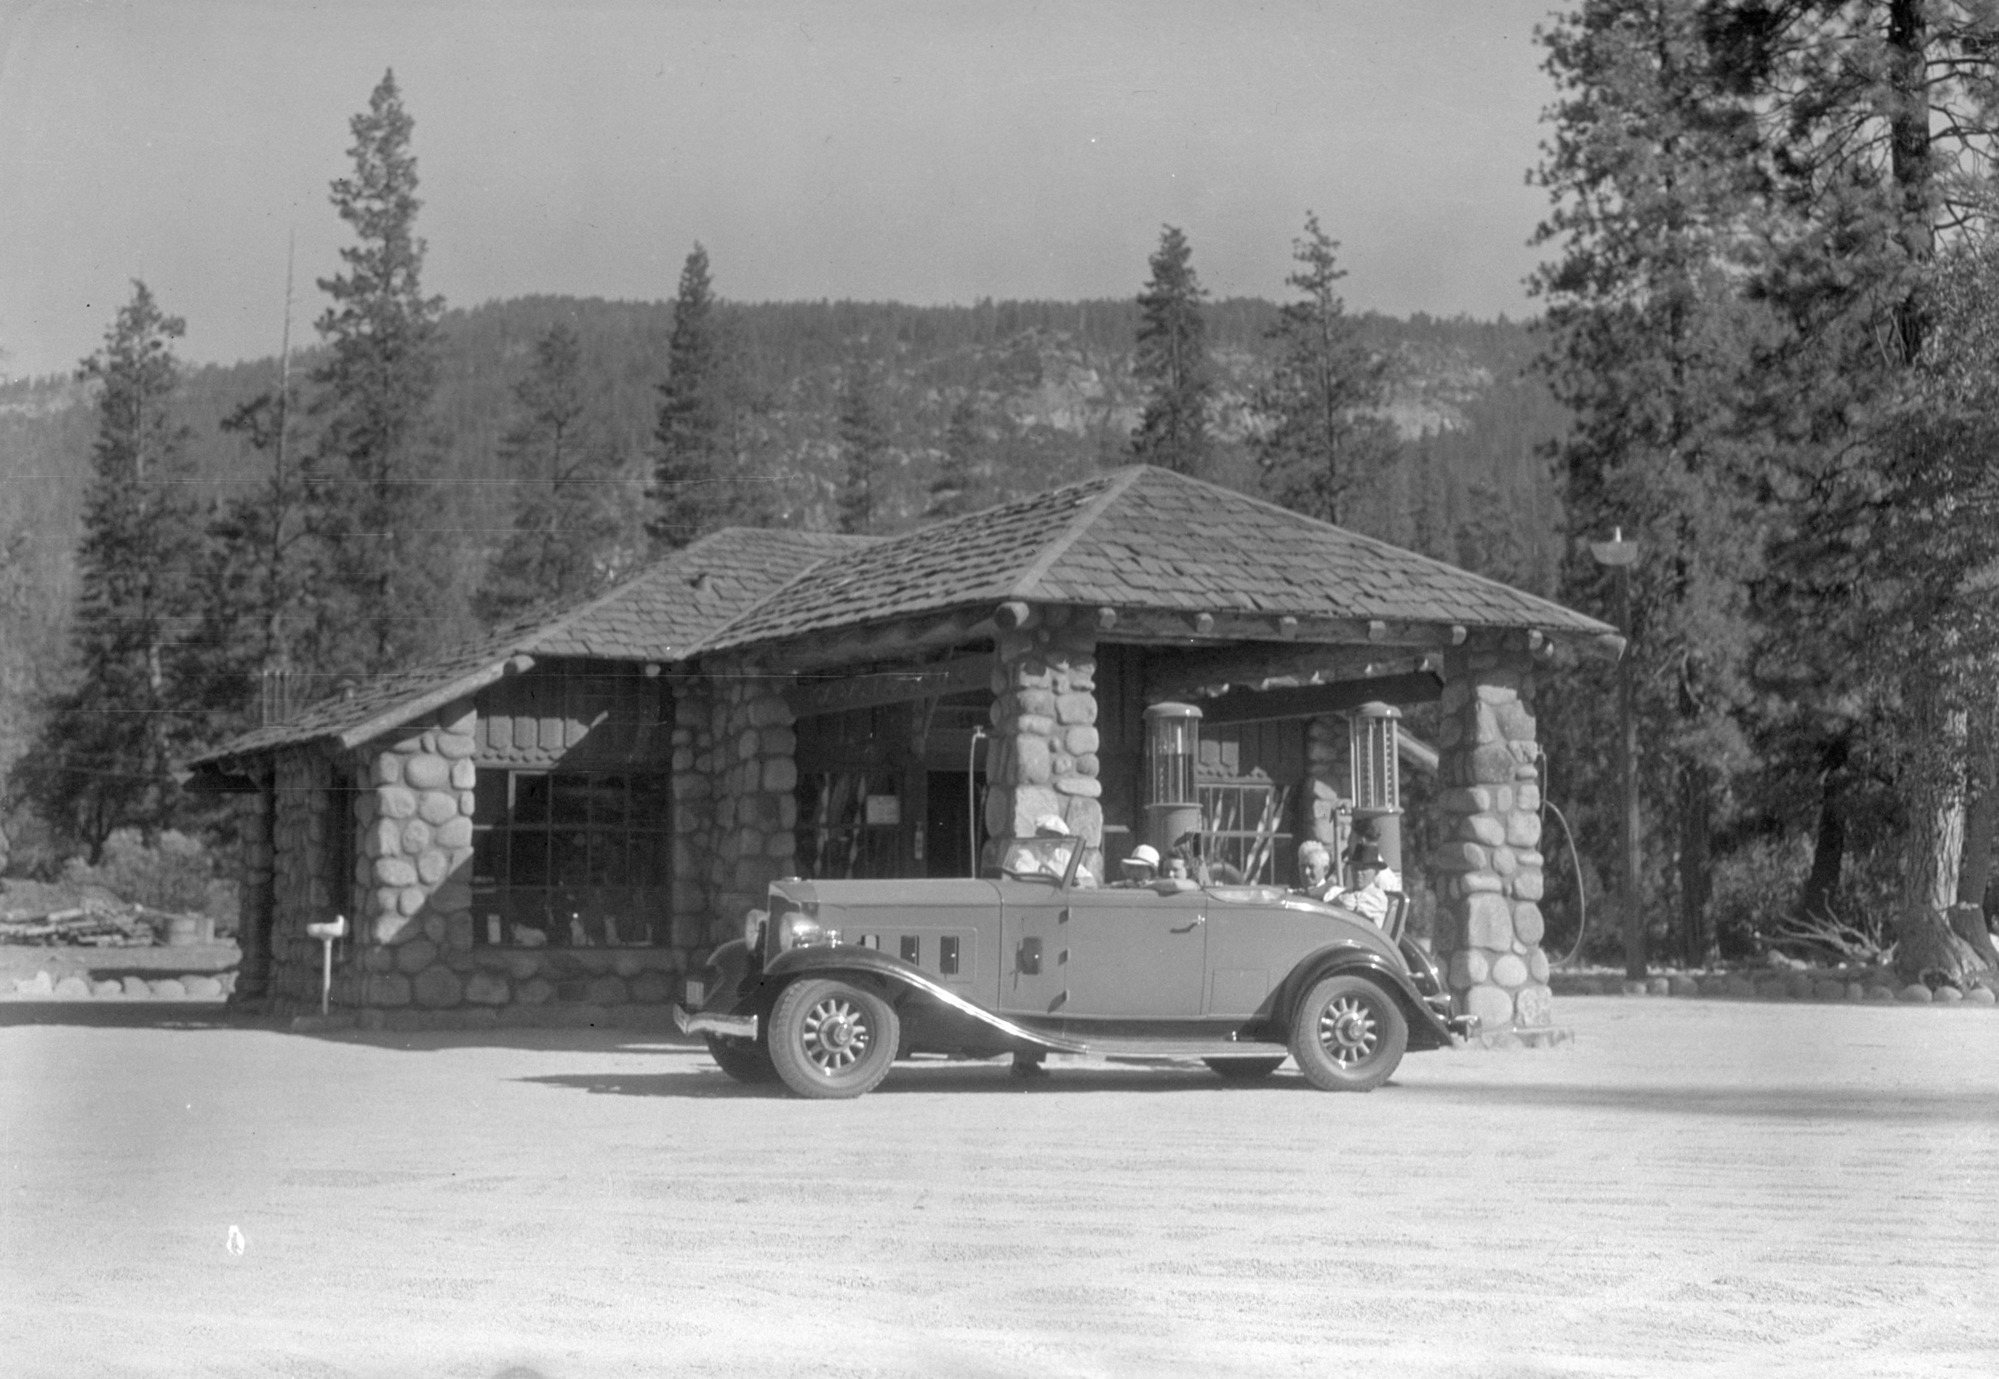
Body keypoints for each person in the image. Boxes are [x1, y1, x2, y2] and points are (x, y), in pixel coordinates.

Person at [1332, 841, 1400, 926]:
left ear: (1376, 871)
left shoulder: (1377, 897)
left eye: (1363, 868)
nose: (1358, 872)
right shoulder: (1346, 892)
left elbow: (1350, 908)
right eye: (1355, 868)